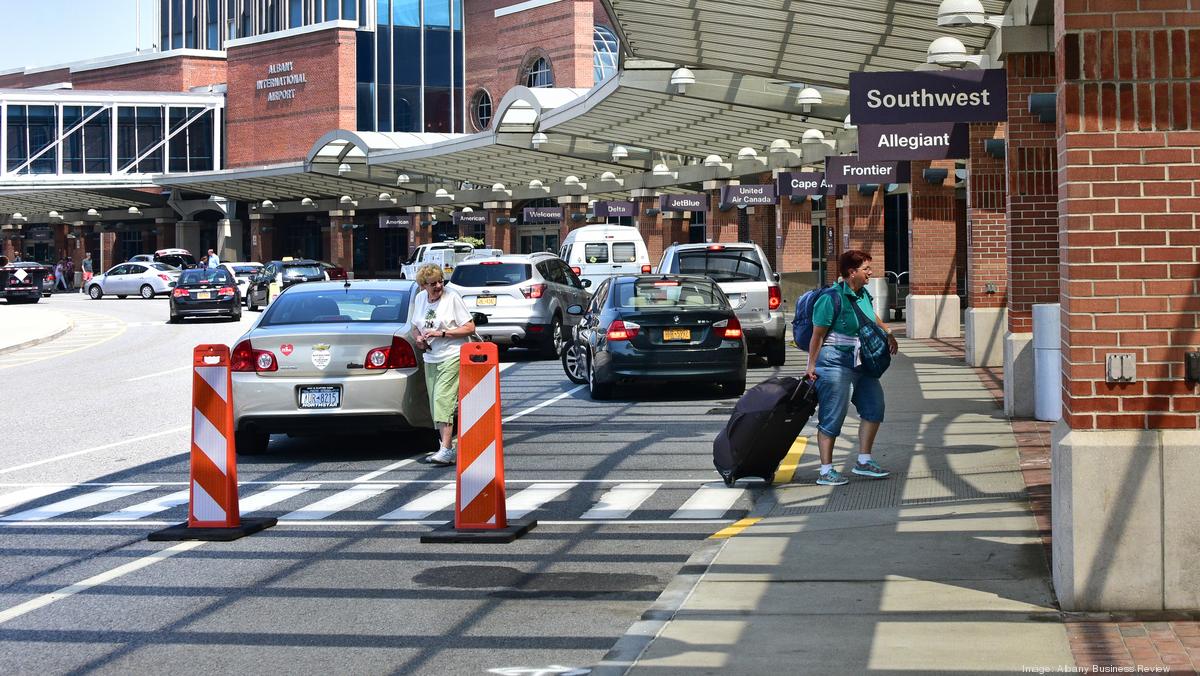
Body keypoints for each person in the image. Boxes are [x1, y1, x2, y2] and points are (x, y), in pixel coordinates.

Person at [804, 249, 900, 486]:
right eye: (866, 269)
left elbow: (870, 315)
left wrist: (887, 332)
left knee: (874, 407)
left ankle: (864, 461)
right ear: (851, 272)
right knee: (833, 415)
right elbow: (817, 336)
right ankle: (826, 470)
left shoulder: (863, 294)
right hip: (834, 362)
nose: (870, 273)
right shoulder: (830, 299)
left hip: (862, 361)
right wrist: (811, 365)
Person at [411, 263, 475, 466]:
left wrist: (443, 333)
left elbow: (470, 327)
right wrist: (419, 339)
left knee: (443, 399)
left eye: (441, 281)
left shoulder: (452, 297)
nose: (439, 286)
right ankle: (444, 446)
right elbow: (414, 327)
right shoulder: (420, 298)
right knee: (434, 404)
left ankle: (447, 449)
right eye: (433, 283)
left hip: (452, 354)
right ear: (423, 285)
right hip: (430, 356)